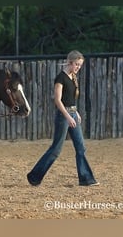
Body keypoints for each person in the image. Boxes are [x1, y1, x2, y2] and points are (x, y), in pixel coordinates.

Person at [27, 50, 99, 186]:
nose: (78, 67)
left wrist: (75, 112)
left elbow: (70, 99)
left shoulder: (73, 77)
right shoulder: (60, 78)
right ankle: (34, 176)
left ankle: (86, 179)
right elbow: (58, 100)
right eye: (77, 65)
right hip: (63, 116)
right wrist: (68, 116)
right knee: (56, 149)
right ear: (70, 62)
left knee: (80, 147)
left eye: (80, 65)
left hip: (72, 114)